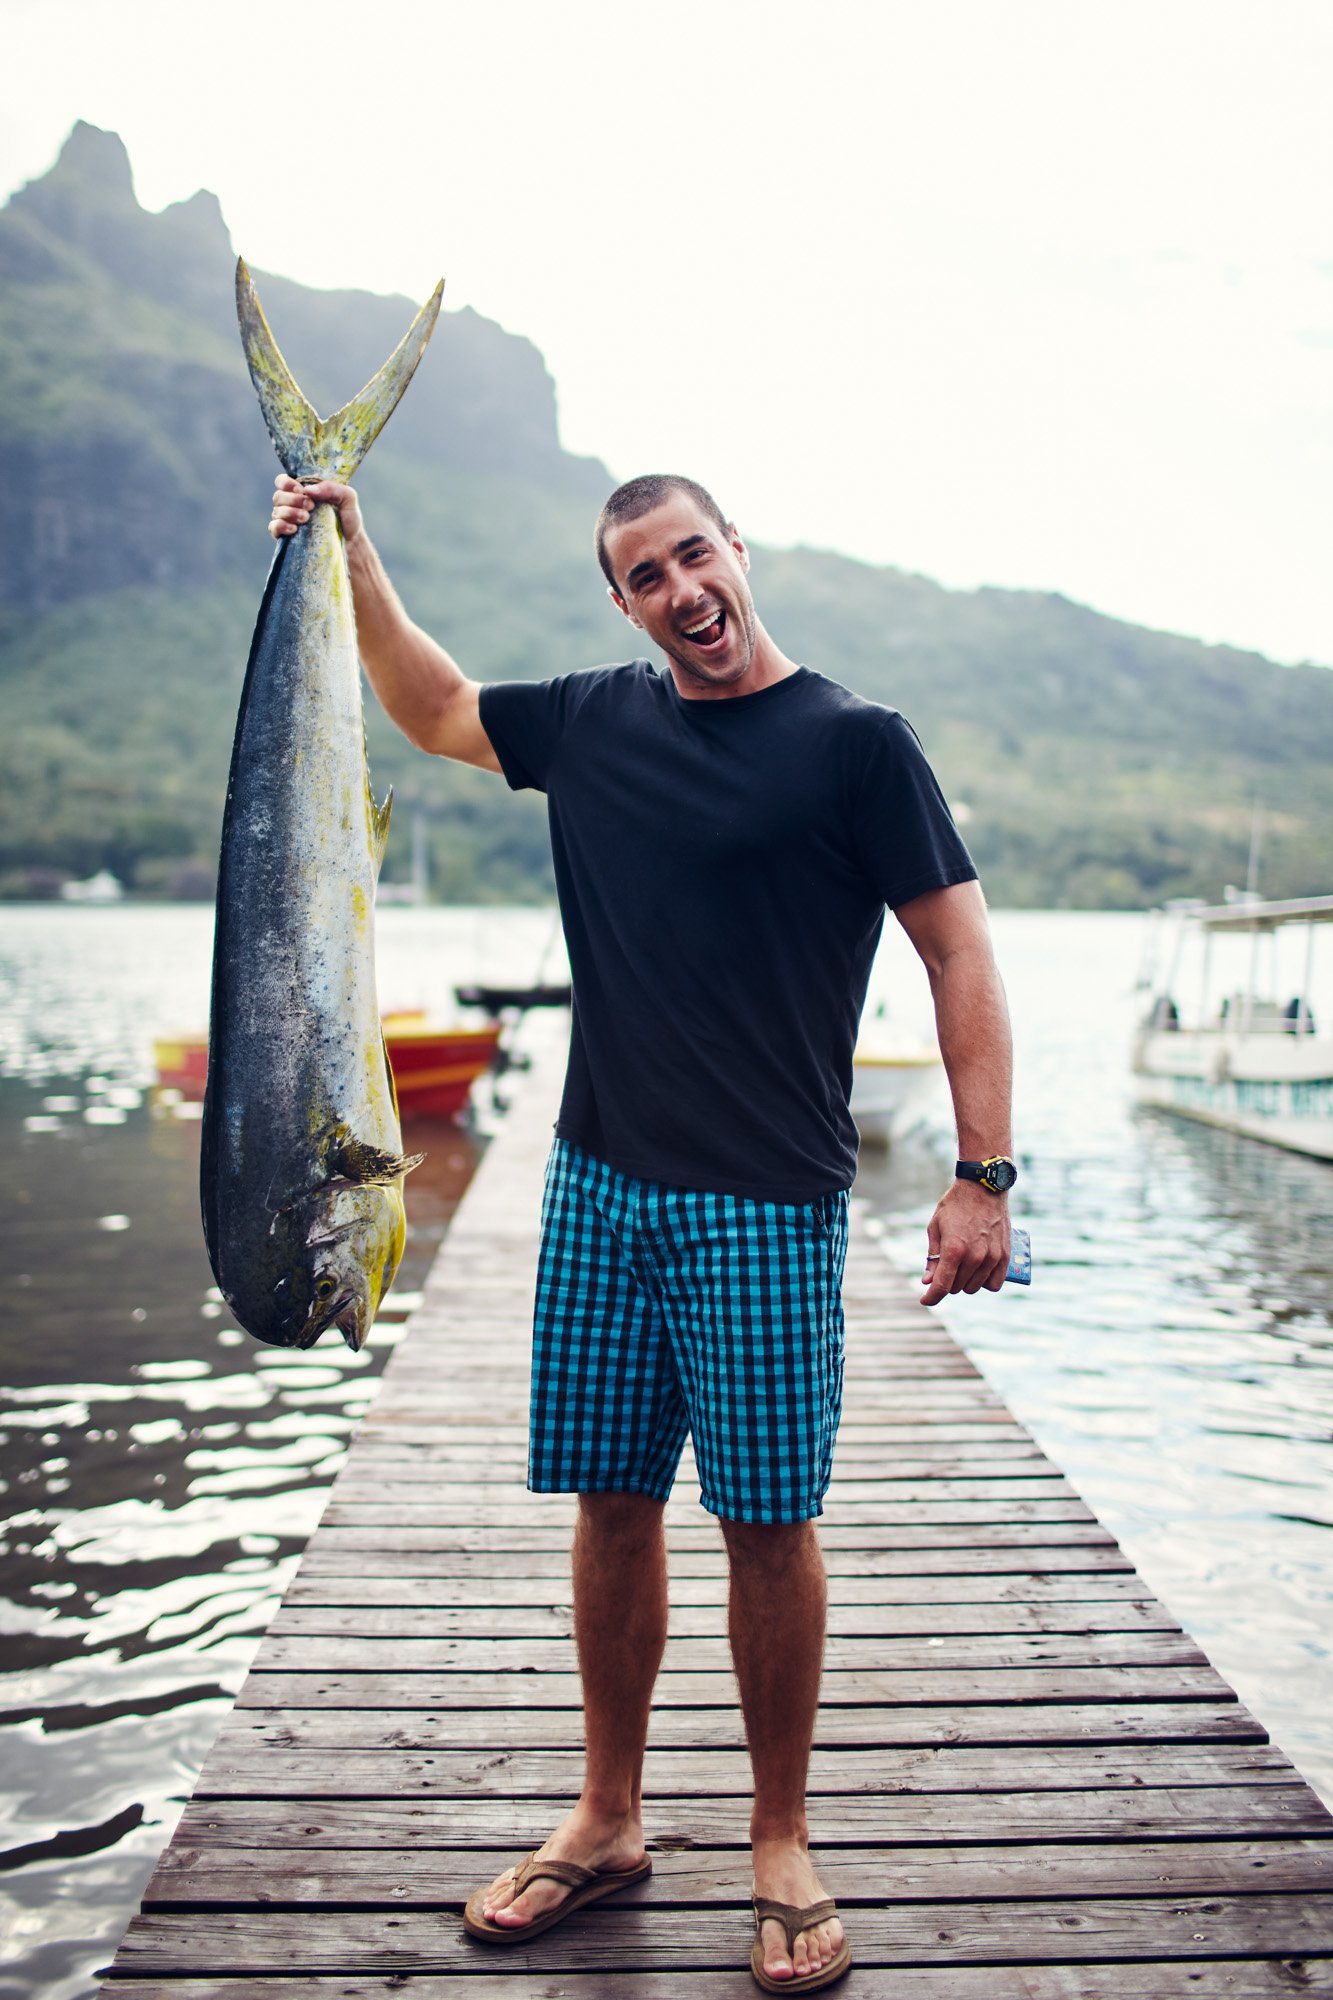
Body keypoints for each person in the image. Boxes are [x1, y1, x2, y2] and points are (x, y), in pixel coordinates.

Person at [270, 469, 1015, 1994]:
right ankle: (608, 1820)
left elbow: (956, 949)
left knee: (764, 1527)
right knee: (608, 1507)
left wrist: (980, 1174)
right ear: (621, 602)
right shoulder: (594, 722)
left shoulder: (858, 746)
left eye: (694, 554)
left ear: (737, 552)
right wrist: (349, 542)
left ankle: (779, 1840)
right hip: (599, 1186)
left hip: (764, 1202)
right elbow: (431, 707)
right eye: (644, 574)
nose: (680, 589)